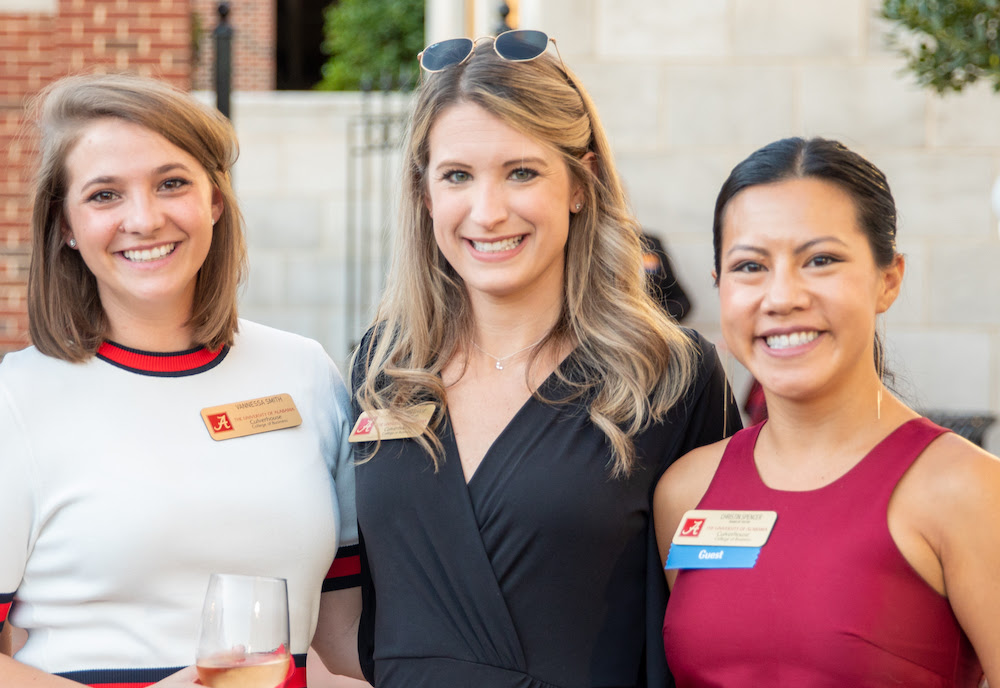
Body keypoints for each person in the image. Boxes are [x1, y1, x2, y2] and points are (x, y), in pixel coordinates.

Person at [343, 29, 741, 688]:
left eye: (522, 172)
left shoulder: (670, 375)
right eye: (457, 176)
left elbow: (722, 614)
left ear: (580, 184)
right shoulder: (382, 368)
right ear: (425, 195)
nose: (488, 211)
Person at [0, 73, 362, 686]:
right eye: (104, 195)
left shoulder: (306, 374)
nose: (144, 218)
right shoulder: (16, 399)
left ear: (215, 201)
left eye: (172, 184)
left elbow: (346, 636)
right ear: (63, 224)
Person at [654, 137, 1000, 686]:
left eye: (821, 260)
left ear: (889, 279)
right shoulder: (685, 491)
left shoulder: (967, 489)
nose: (782, 296)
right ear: (720, 287)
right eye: (750, 266)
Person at [641, 231, 691, 321]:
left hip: (648, 326)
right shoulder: (609, 244)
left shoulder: (649, 244)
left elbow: (681, 300)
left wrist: (653, 320)